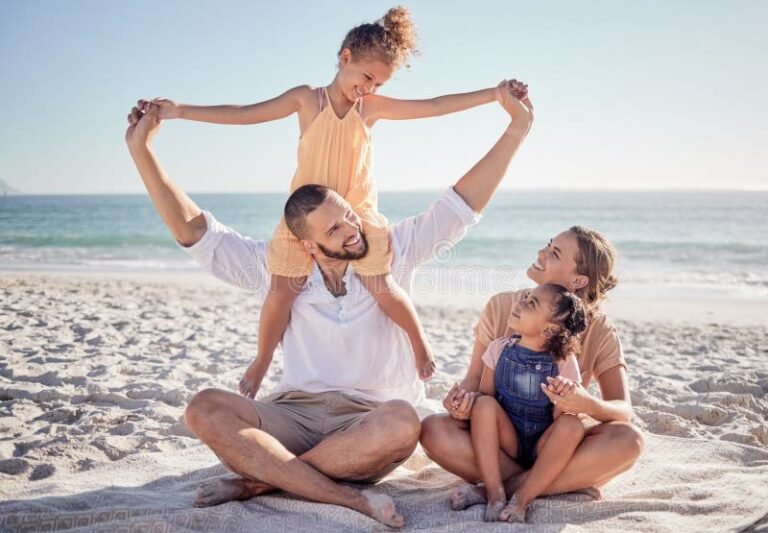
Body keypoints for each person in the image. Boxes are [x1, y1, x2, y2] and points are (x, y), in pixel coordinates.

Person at [125, 85, 533, 527]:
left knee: (403, 420)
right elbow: (197, 233)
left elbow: (461, 204)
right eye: (335, 229)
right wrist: (142, 150)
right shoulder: (279, 268)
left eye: (350, 217)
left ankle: (260, 482)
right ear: (308, 244)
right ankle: (336, 492)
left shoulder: (392, 250)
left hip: (368, 424)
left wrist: (517, 128)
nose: (352, 230)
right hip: (293, 414)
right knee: (203, 407)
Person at [139, 6, 528, 388]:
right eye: (367, 77)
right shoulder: (308, 100)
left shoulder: (368, 109)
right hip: (305, 218)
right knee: (280, 293)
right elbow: (245, 113)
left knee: (383, 286)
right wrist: (180, 111)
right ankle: (261, 362)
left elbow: (435, 106)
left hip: (359, 215)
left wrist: (494, 95)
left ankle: (419, 343)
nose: (370, 88)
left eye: (378, 84)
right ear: (345, 58)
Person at [420, 227, 645, 513]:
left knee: (629, 440)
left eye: (554, 254)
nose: (541, 253)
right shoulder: (503, 306)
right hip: (499, 444)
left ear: (578, 280)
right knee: (433, 431)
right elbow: (475, 380)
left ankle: (501, 489)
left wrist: (587, 403)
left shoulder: (599, 329)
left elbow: (623, 409)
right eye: (548, 246)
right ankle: (555, 483)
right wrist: (459, 402)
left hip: (558, 446)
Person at [467, 284, 587, 522]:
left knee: (572, 425)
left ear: (550, 328)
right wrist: (466, 403)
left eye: (531, 303)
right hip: (508, 440)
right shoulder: (498, 349)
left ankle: (522, 498)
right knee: (483, 406)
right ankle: (495, 493)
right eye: (525, 298)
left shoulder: (563, 361)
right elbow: (485, 398)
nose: (519, 304)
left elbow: (559, 421)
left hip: (543, 446)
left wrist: (562, 398)